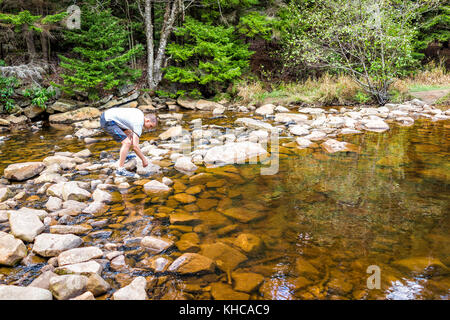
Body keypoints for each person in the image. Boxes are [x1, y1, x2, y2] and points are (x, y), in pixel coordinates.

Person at [100, 107, 157, 177]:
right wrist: (143, 159)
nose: (149, 129)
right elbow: (135, 147)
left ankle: (124, 156)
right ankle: (120, 170)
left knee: (130, 133)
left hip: (108, 116)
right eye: (150, 126)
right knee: (127, 143)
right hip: (108, 121)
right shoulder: (139, 123)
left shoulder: (139, 114)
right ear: (147, 120)